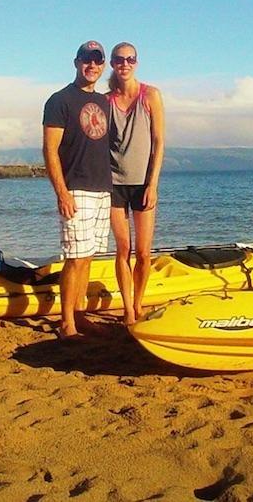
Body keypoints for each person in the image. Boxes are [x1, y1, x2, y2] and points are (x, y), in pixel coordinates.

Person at [42, 40, 112, 339]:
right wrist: (62, 192)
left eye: (97, 60)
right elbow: (49, 150)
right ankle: (66, 321)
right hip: (76, 188)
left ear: (103, 65)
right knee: (75, 257)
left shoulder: (105, 103)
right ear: (76, 62)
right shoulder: (59, 100)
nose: (92, 65)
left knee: (89, 256)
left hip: (102, 188)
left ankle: (80, 313)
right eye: (87, 59)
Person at [106, 42, 165, 325]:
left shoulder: (150, 95)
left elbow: (159, 142)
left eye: (130, 59)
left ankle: (139, 302)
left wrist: (152, 184)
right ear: (113, 64)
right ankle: (128, 309)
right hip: (114, 183)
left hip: (143, 183)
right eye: (119, 60)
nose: (125, 64)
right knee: (123, 249)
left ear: (137, 63)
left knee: (143, 252)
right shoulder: (104, 102)